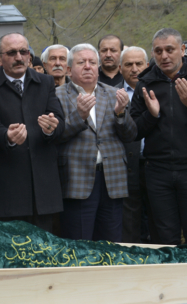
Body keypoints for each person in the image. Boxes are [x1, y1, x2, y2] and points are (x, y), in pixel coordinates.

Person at [129, 28, 187, 245]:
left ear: (182, 50)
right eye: (158, 51)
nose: (164, 56)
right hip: (158, 171)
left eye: (170, 50)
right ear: (152, 54)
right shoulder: (145, 84)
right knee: (164, 237)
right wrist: (151, 115)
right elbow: (134, 131)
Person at [0, 32, 65, 232]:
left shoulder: (45, 82)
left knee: (43, 246)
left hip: (42, 187)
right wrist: (7, 136)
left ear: (29, 56)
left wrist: (51, 127)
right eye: (12, 53)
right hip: (6, 188)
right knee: (10, 246)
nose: (19, 57)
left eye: (23, 52)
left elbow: (59, 121)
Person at [55, 43, 136, 242]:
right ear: (69, 69)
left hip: (112, 179)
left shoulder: (113, 94)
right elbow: (54, 136)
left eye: (92, 62)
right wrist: (79, 116)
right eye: (81, 62)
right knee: (79, 243)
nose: (87, 66)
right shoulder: (57, 96)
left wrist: (120, 114)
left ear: (98, 68)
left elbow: (130, 135)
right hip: (77, 179)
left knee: (111, 243)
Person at [118, 46, 155, 243]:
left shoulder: (158, 90)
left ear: (147, 65)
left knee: (156, 223)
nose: (134, 69)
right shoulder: (111, 93)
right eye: (128, 64)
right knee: (130, 225)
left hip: (155, 165)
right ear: (120, 68)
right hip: (126, 168)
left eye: (139, 64)